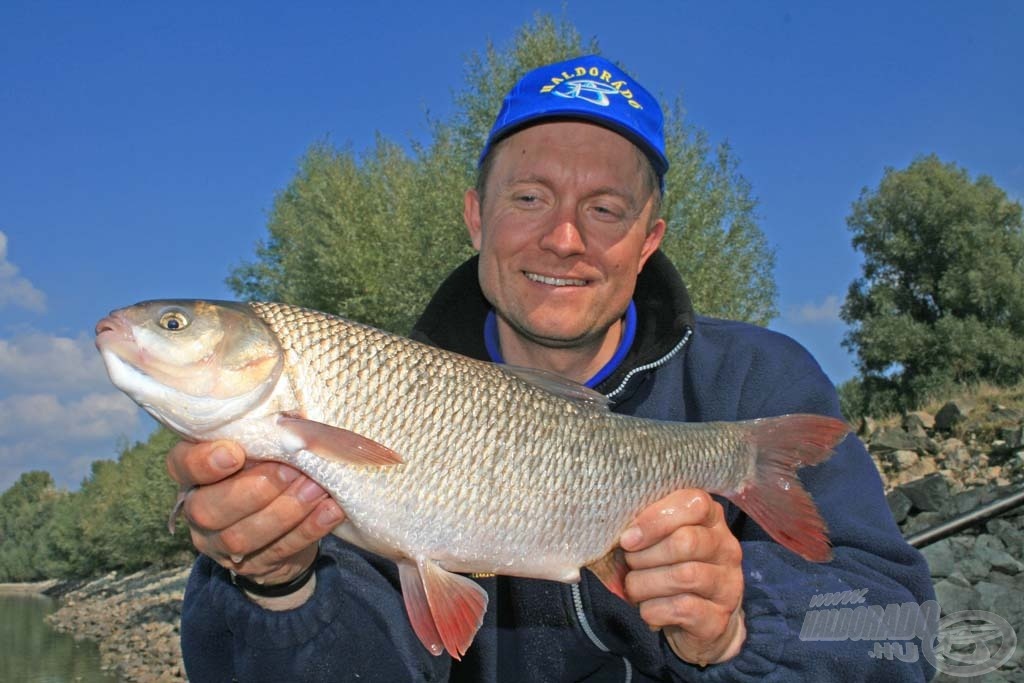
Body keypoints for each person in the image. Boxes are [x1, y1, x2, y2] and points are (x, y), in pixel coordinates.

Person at [168, 55, 936, 681]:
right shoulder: (379, 393)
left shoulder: (758, 380)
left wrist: (739, 627)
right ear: (477, 215)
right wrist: (277, 586)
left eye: (604, 209)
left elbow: (902, 626)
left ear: (649, 238)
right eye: (530, 196)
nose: (564, 238)